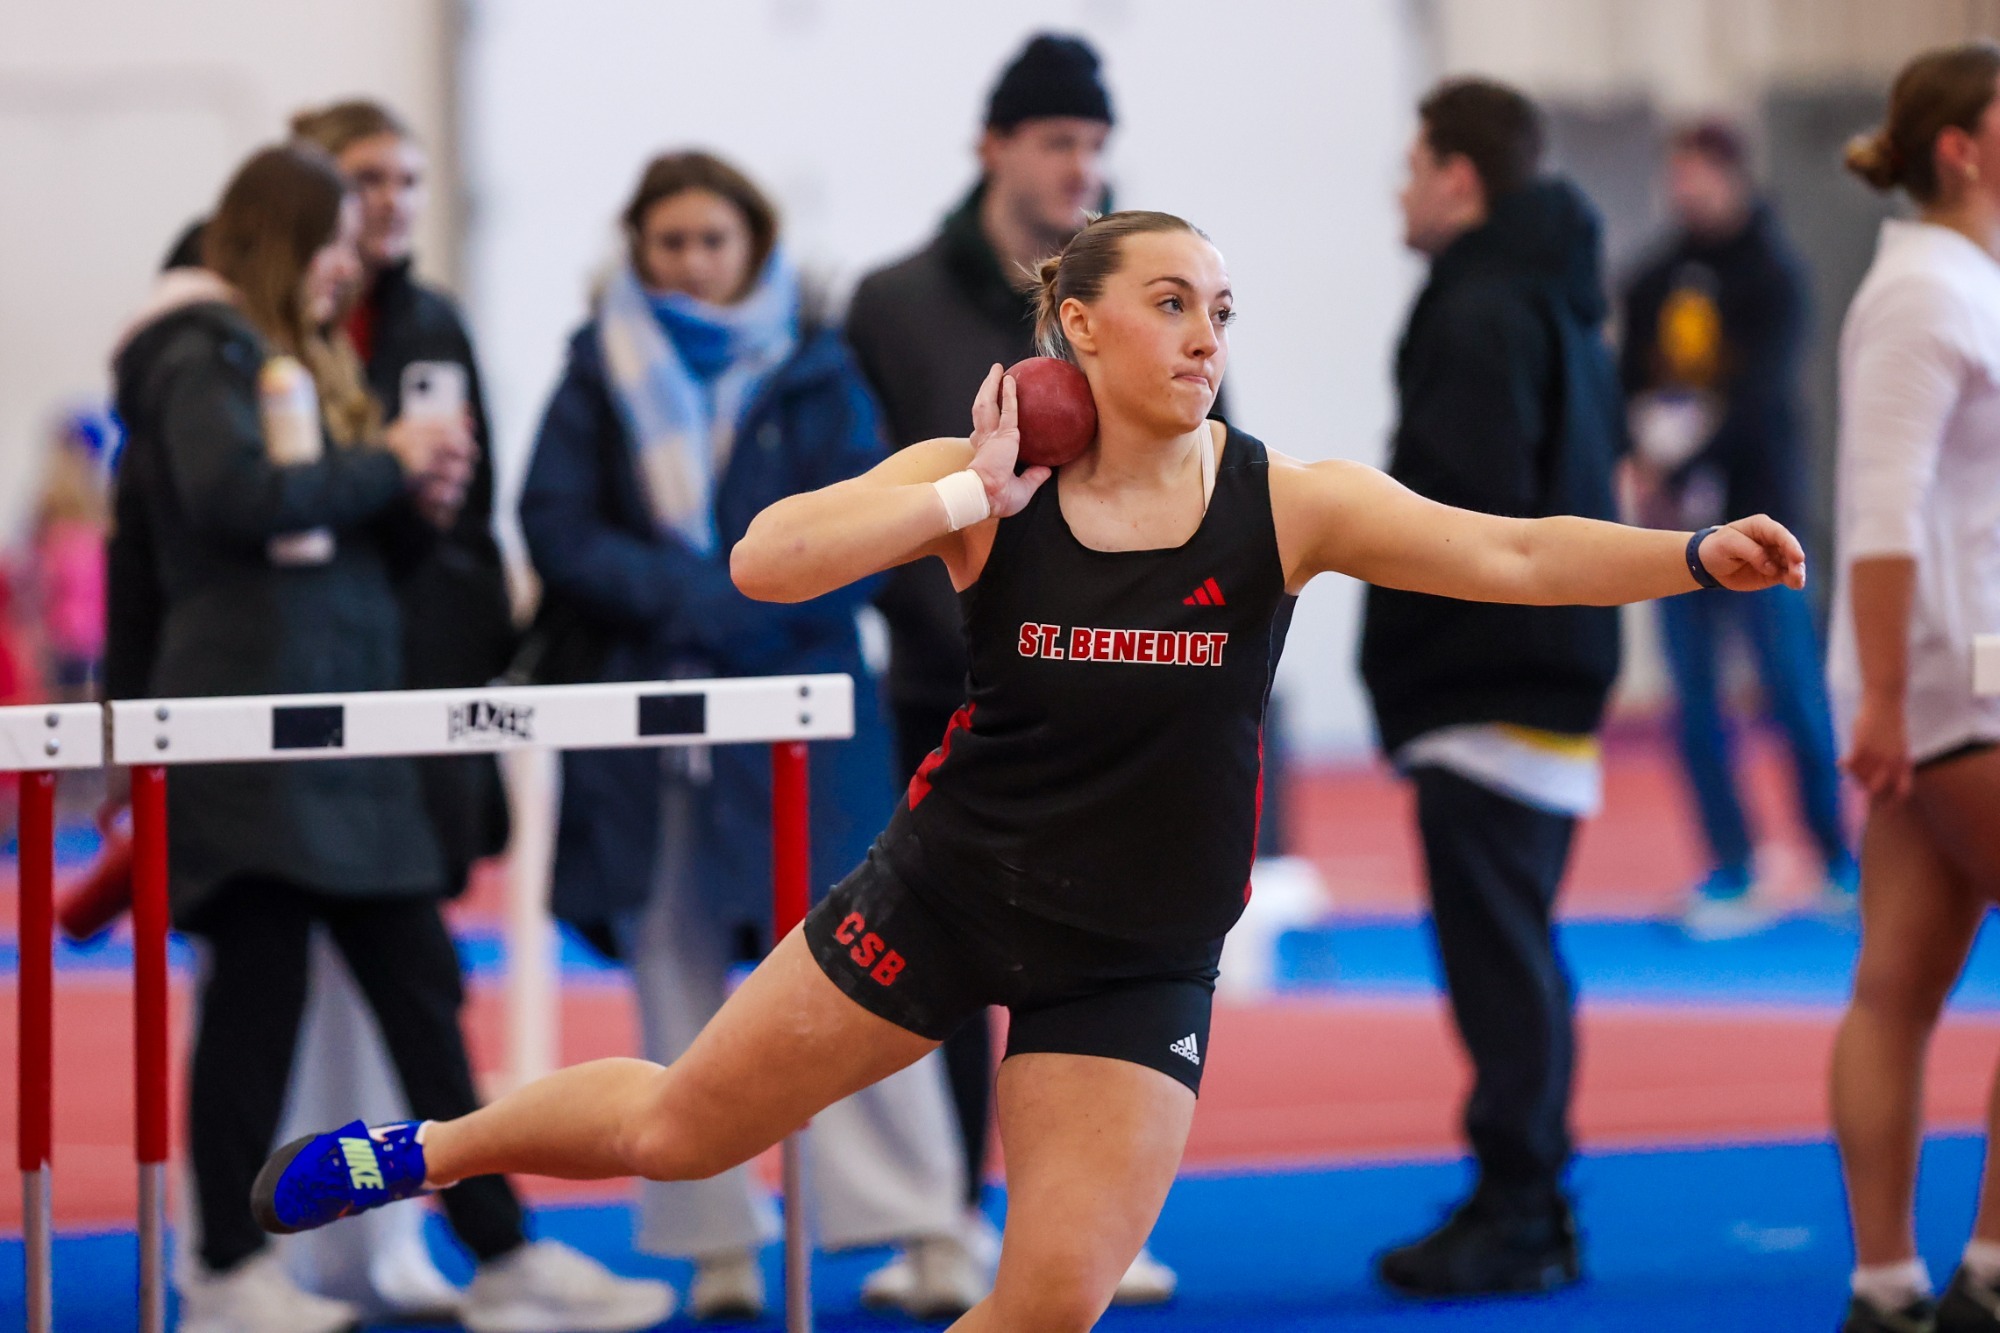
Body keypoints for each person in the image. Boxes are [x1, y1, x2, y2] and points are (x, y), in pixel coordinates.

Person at [253, 207, 1807, 1333]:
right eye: (1172, 304)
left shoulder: (1286, 502)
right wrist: (964, 500)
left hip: (1137, 952)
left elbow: (1516, 555)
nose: (1205, 337)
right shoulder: (984, 481)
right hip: (945, 894)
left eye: (1221, 310)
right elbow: (766, 559)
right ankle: (427, 1150)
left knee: (1052, 1301)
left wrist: (1688, 554)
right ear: (1080, 324)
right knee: (679, 1132)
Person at [106, 143, 673, 1333]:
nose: (346, 268)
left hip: (345, 737)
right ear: (284, 238)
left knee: (423, 999)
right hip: (252, 733)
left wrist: (417, 502)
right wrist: (389, 463)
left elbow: (329, 542)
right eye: (331, 244)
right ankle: (225, 1270)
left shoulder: (282, 353)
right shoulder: (195, 350)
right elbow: (234, 500)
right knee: (255, 1009)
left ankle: (502, 1252)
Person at [518, 149, 973, 1322]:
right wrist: (696, 596)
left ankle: (926, 1224)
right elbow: (555, 524)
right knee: (675, 985)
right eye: (668, 242)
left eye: (711, 240)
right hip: (652, 731)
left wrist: (736, 599)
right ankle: (712, 1240)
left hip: (804, 721)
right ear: (637, 249)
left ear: (754, 245)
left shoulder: (819, 368)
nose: (690, 263)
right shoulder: (594, 367)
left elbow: (872, 529)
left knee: (861, 974)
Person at [844, 35, 1187, 1304]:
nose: (1078, 166)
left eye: (1093, 144)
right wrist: (943, 627)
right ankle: (937, 1218)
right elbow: (873, 495)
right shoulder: (890, 304)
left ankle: (1081, 1223)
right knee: (932, 962)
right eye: (1056, 142)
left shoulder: (1146, 297)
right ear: (994, 147)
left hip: (1103, 696)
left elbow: (1196, 467)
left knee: (1084, 965)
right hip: (940, 689)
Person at [1359, 78, 1621, 1297]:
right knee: (1517, 952)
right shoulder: (1558, 302)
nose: (1398, 192)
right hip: (1543, 661)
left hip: (1489, 673)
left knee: (1501, 959)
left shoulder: (1476, 310)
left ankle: (1522, 1205)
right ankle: (1522, 1193)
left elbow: (1462, 511)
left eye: (1412, 167)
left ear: (1458, 177)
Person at [1827, 42, 2000, 1333]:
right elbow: (1882, 516)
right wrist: (1886, 698)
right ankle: (1985, 1267)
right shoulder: (1924, 295)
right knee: (1892, 989)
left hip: (1945, 680)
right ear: (1962, 145)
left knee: (1896, 982)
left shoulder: (1964, 285)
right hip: (1960, 686)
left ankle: (1888, 1286)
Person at [1620, 118, 1856, 940]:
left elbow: (1759, 397)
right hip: (1676, 531)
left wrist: (1683, 460)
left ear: (1734, 177)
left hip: (1762, 518)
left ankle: (1834, 858)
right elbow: (1622, 383)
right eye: (1676, 175)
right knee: (1693, 701)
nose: (1685, 191)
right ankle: (1732, 865)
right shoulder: (1651, 278)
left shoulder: (1774, 273)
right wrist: (1640, 464)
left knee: (1792, 691)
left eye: (1699, 175)